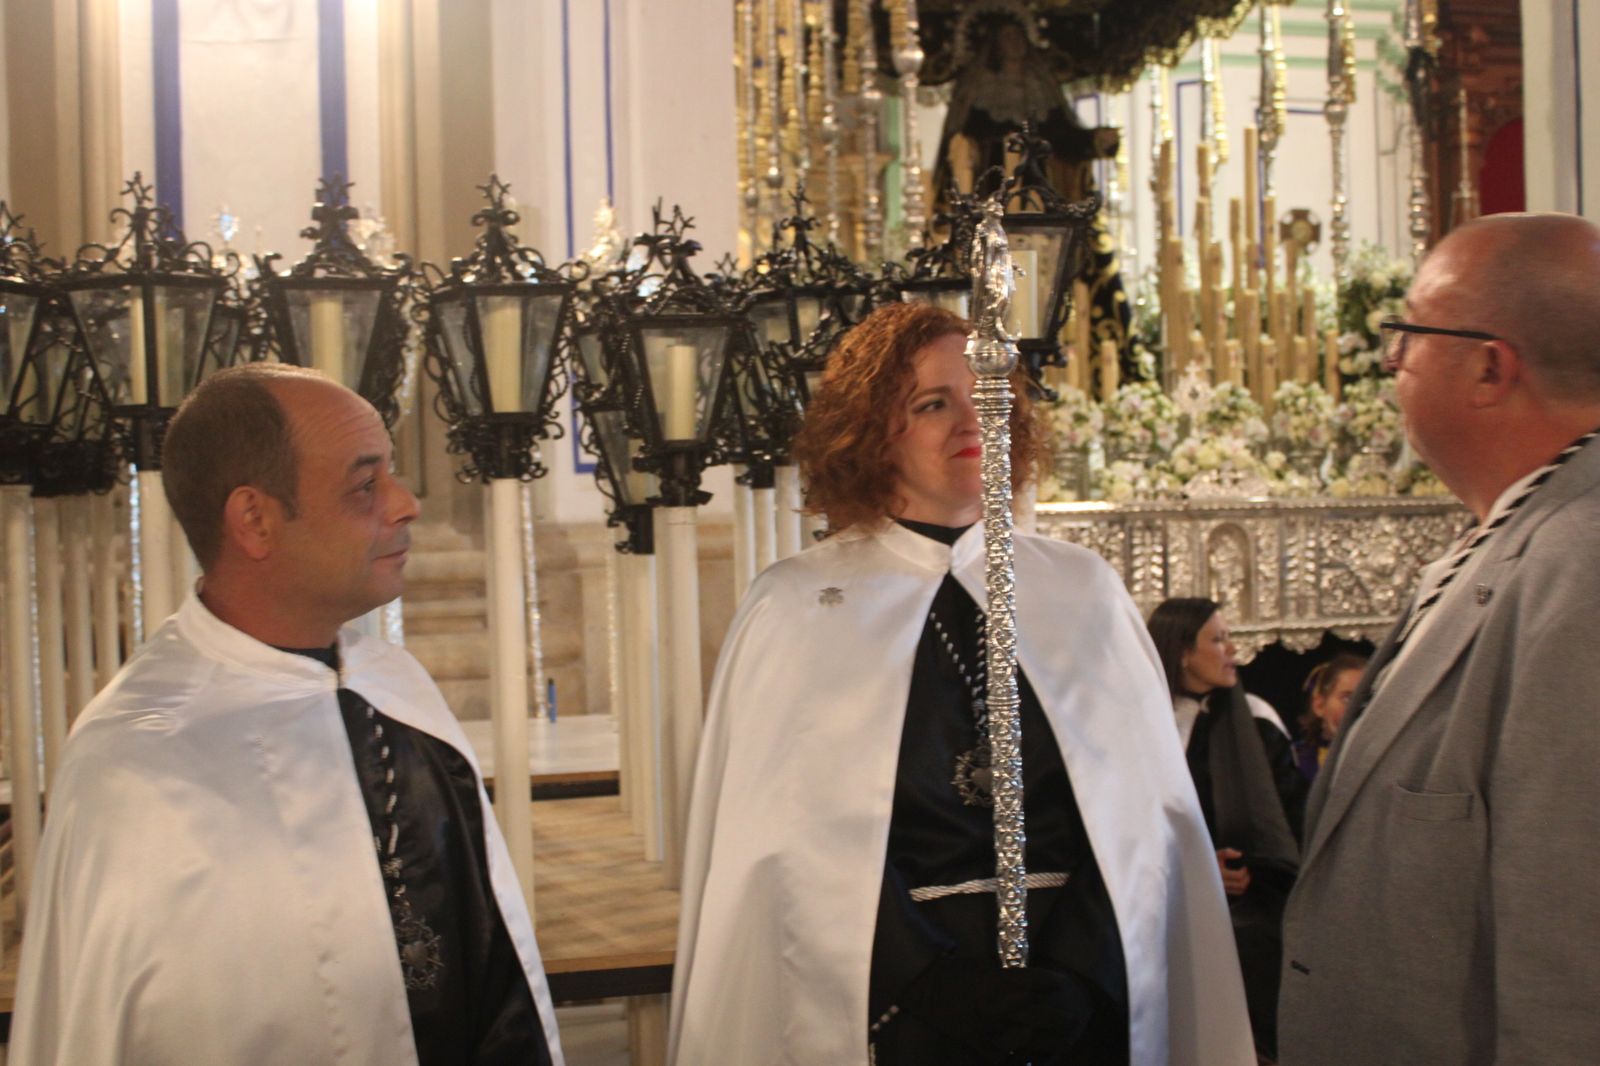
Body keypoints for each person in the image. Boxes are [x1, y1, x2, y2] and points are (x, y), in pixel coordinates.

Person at [669, 303, 1252, 1065]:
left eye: (988, 398)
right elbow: (785, 845)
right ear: (873, 428)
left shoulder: (1083, 590)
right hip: (898, 1003)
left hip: (1077, 994)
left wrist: (1081, 971)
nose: (971, 423)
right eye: (932, 403)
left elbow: (1143, 821)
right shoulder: (797, 605)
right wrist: (932, 982)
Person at [12, 364, 564, 1066]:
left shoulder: (394, 684)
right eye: (365, 485)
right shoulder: (140, 762)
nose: (405, 504)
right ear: (255, 519)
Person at [1279, 213, 1600, 1064]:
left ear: (1490, 367)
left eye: (1410, 334)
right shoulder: (1519, 530)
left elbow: (1572, 917)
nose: (1390, 362)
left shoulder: (1584, 563)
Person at [1146, 599, 1306, 1064]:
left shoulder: (1257, 723)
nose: (1232, 650)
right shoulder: (1146, 722)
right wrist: (1197, 869)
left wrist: (1248, 871)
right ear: (1181, 653)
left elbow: (1290, 822)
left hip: (1252, 915)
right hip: (1167, 907)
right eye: (1217, 640)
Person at [1292, 653, 1367, 781]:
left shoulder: (1386, 761)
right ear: (1319, 706)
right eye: (1347, 698)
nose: (1358, 708)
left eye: (1366, 698)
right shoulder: (1294, 761)